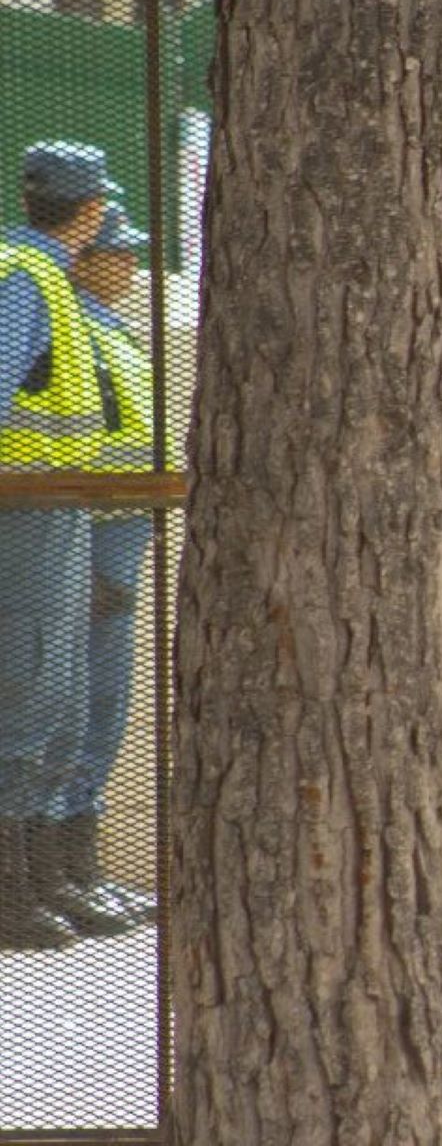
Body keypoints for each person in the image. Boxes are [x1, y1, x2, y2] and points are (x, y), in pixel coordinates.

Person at [0, 142, 118, 950]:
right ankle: (14, 894)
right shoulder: (27, 276)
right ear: (88, 212)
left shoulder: (42, 276)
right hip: (27, 504)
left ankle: (45, 878)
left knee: (63, 696)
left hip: (58, 504)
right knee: (32, 692)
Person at [44, 202, 158, 934]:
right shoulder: (71, 323)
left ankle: (81, 869)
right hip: (85, 533)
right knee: (66, 710)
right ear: (85, 257)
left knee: (102, 710)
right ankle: (52, 874)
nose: (132, 264)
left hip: (120, 530)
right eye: (119, 251)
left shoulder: (107, 326)